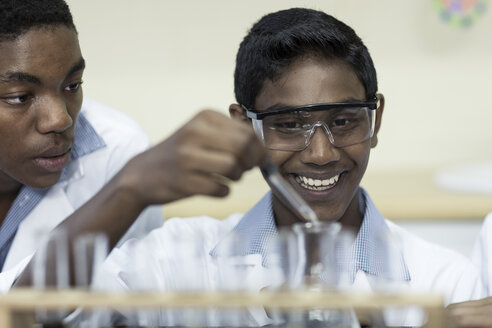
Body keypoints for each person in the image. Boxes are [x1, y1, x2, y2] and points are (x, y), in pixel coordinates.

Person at [94, 7, 483, 327]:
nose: (320, 153)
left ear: (375, 121)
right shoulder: (177, 261)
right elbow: (45, 313)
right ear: (244, 127)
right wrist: (127, 188)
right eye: (289, 125)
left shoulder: (444, 279)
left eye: (344, 121)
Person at [0, 0, 265, 290]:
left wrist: (127, 189)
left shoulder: (120, 153)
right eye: (20, 96)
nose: (60, 119)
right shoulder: (129, 175)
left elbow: (110, 309)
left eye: (72, 85)